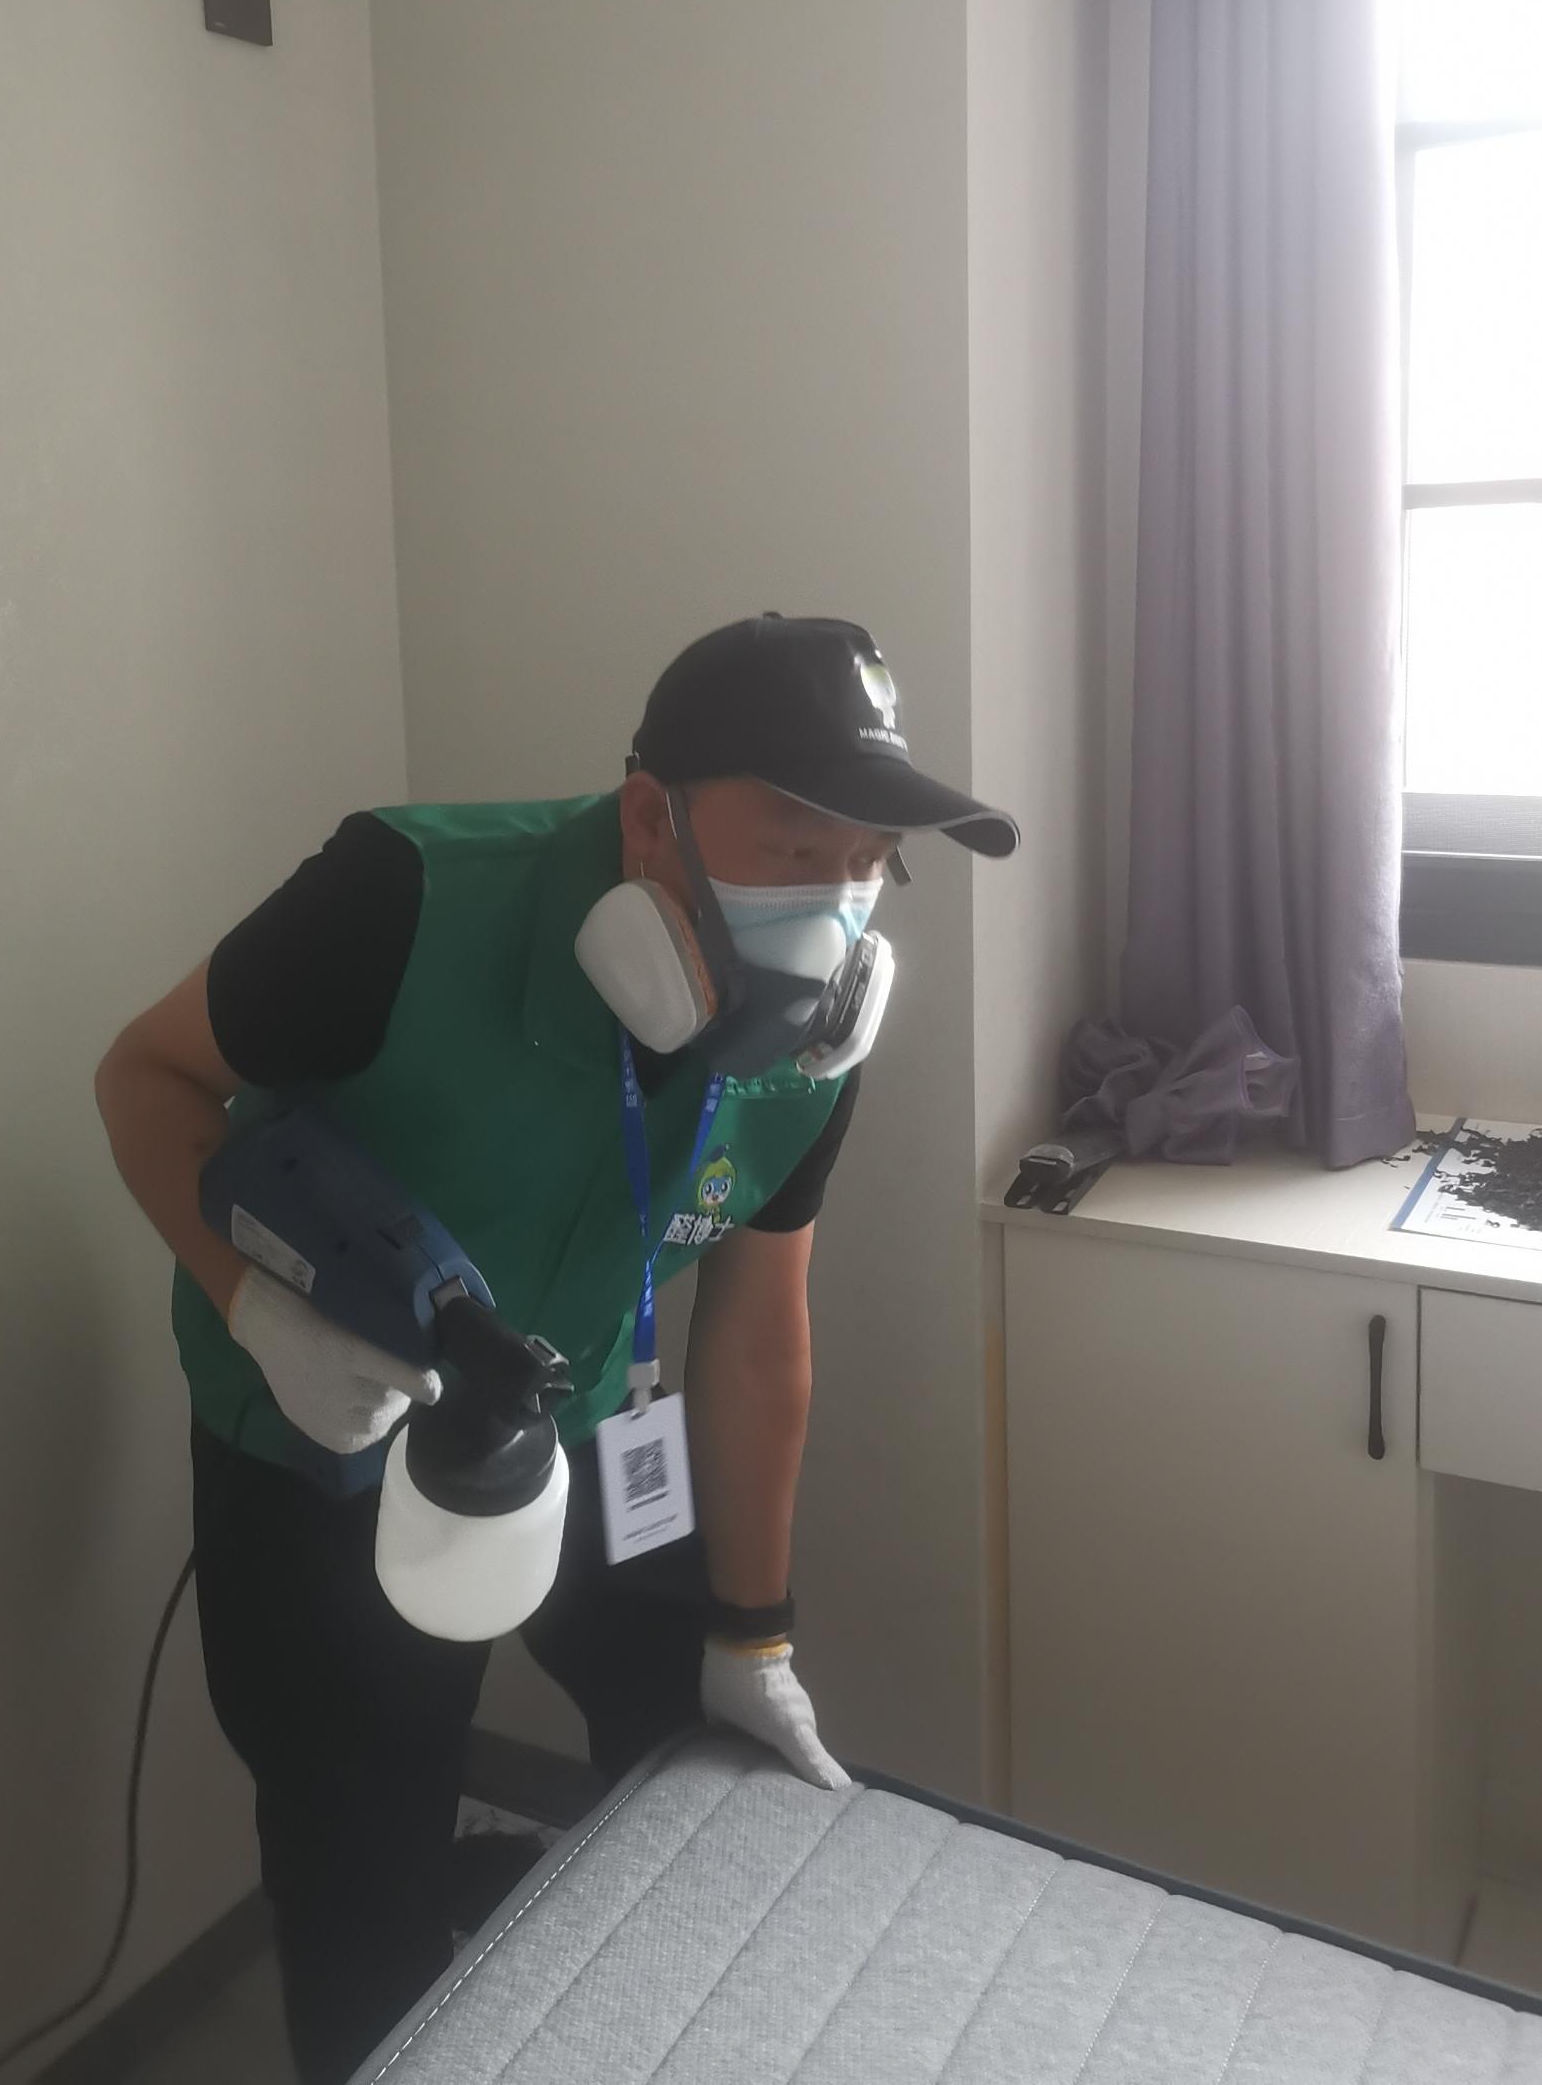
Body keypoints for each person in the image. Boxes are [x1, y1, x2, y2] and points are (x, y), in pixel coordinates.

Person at [95, 614, 1017, 2081]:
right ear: (652, 818)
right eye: (795, 845)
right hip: (328, 1440)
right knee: (362, 1866)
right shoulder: (397, 902)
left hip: (593, 1411)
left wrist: (757, 1630)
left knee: (688, 1739)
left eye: (869, 862)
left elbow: (758, 1332)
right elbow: (142, 1078)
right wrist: (256, 1315)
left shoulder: (807, 1049)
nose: (836, 906)